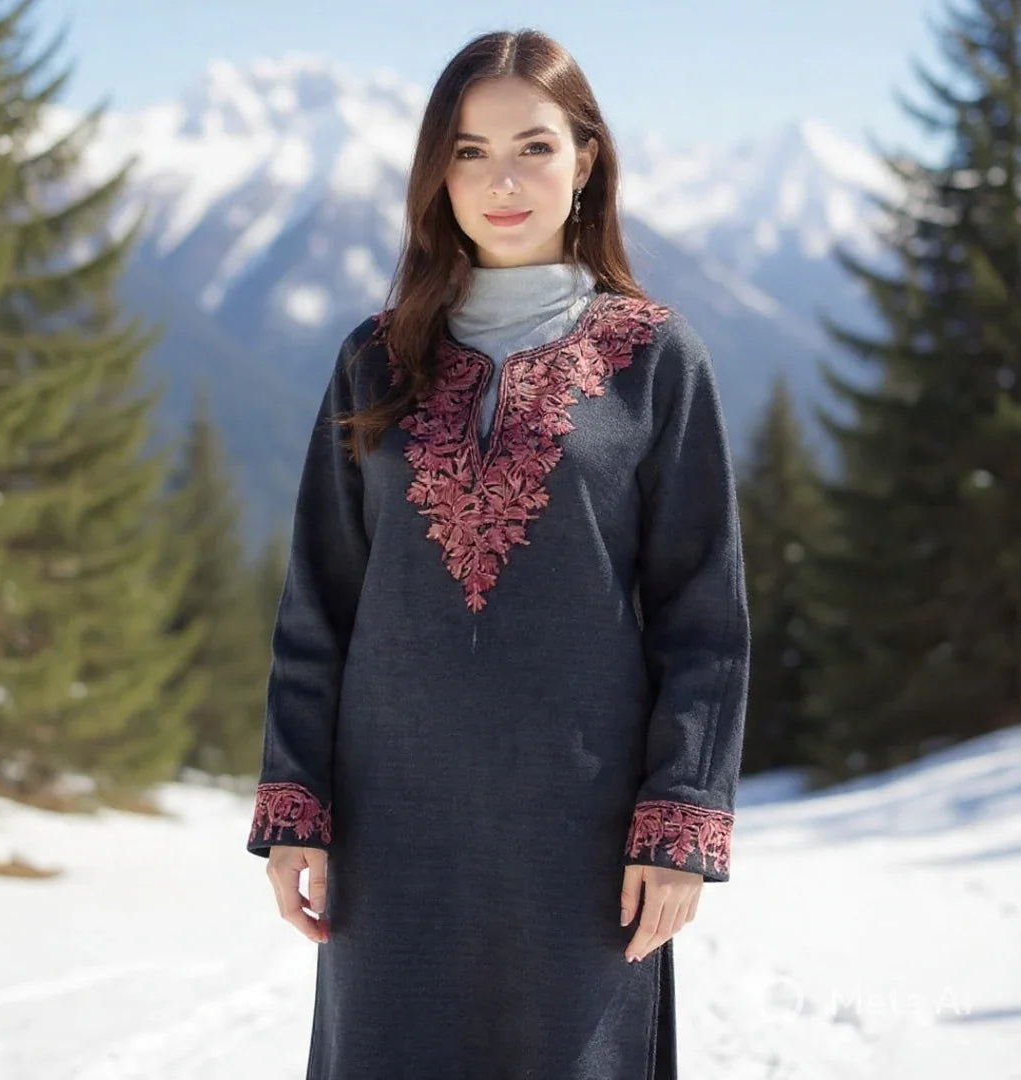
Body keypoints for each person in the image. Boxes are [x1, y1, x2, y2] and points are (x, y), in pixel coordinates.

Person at [246, 28, 750, 1080]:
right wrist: (297, 806)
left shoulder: (657, 360)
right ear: (438, 171)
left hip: (584, 840)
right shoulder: (373, 359)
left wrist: (682, 821)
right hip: (391, 840)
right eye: (469, 152)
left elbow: (705, 620)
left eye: (532, 147)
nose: (502, 181)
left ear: (587, 160)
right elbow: (317, 606)